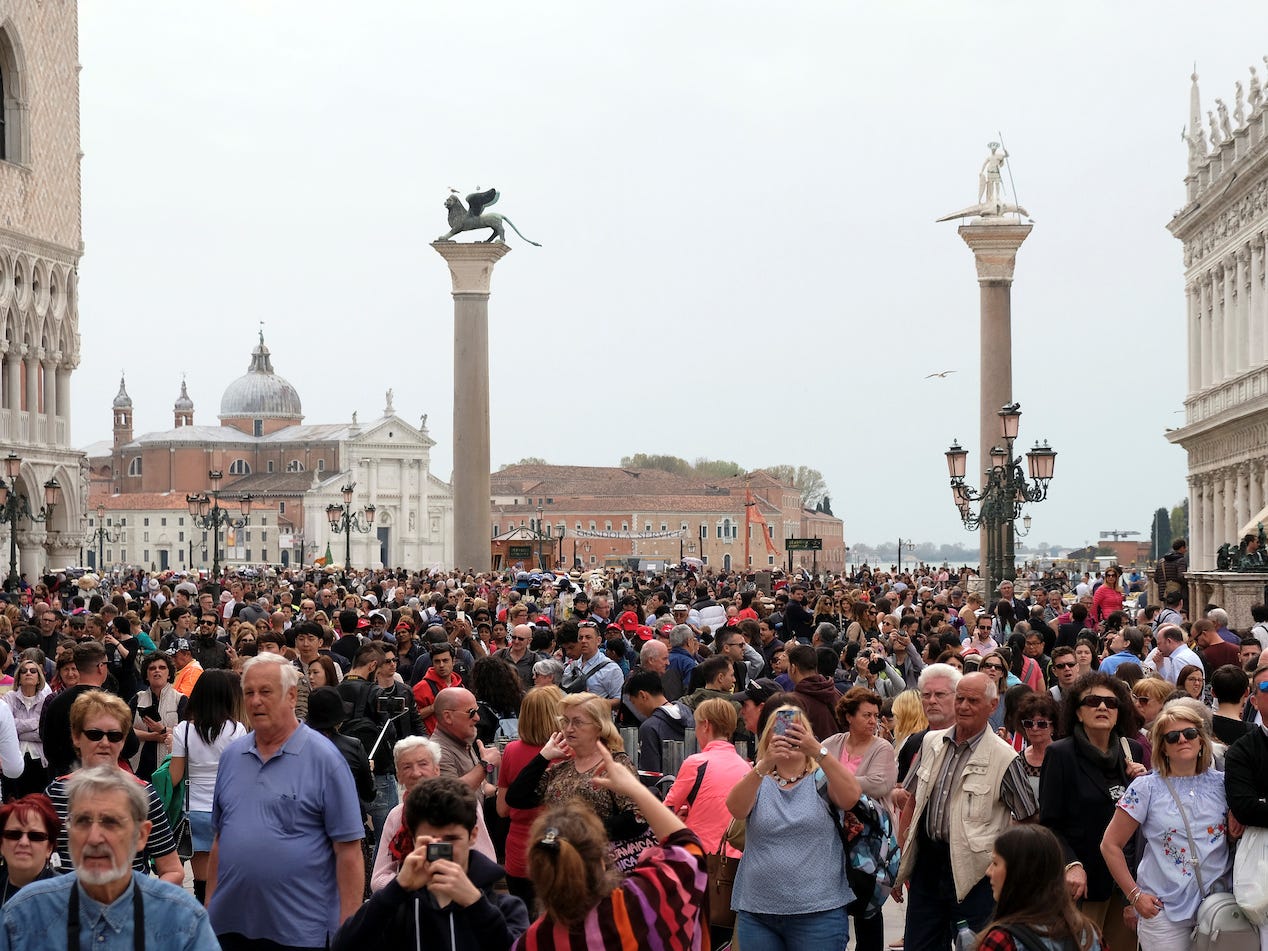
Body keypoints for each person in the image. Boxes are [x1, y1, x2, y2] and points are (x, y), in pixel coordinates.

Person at [206, 653, 365, 950]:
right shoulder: (231, 756)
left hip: (298, 930)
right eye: (249, 692)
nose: (255, 701)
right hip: (229, 926)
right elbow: (219, 840)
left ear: (292, 696)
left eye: (265, 691)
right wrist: (209, 908)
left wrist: (348, 928)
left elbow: (349, 852)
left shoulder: (325, 759)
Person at [0, 766, 219, 950]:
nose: (94, 838)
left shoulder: (183, 921)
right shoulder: (24, 915)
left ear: (141, 835)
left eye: (111, 822)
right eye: (83, 822)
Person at [895, 672, 1040, 949]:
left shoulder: (1004, 757)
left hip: (976, 874)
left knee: (977, 945)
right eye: (959, 698)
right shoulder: (930, 742)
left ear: (992, 705)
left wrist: (1006, 870)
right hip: (928, 865)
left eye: (972, 701)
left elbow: (1027, 818)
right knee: (919, 944)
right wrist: (902, 861)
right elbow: (912, 801)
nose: (963, 706)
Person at [518, 741, 708, 950]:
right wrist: (636, 789)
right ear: (602, 859)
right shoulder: (640, 902)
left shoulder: (534, 941)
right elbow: (688, 851)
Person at [725, 696, 862, 949]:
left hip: (819, 912)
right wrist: (765, 762)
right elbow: (735, 807)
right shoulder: (758, 778)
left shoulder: (822, 778)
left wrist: (818, 751)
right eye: (781, 729)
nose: (790, 735)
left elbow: (851, 796)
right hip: (758, 912)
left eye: (798, 730)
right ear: (768, 736)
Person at [332, 776, 528, 950]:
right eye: (430, 840)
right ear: (414, 838)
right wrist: (396, 889)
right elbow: (345, 944)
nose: (441, 849)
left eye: (451, 839)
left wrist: (476, 904)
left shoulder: (505, 907)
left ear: (473, 835)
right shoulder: (399, 908)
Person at [1101, 701, 1233, 951]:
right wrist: (1135, 896)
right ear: (1162, 748)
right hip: (1163, 911)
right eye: (1172, 737)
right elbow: (1110, 845)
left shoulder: (1225, 784)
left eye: (1190, 733)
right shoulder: (1145, 788)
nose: (1182, 739)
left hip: (1218, 908)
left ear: (1202, 740)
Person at [1038, 673, 1145, 951]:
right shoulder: (1061, 754)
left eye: (1111, 703)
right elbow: (1049, 823)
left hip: (1127, 883)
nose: (1102, 707)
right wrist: (1071, 865)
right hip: (1084, 882)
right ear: (1077, 710)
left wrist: (1144, 784)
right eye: (1093, 701)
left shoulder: (1130, 751)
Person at [45, 691, 183, 887]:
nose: (104, 742)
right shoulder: (56, 793)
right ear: (76, 737)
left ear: (124, 740)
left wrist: (140, 901)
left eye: (114, 736)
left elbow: (172, 869)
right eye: (94, 734)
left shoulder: (143, 795)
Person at [505, 692, 643, 870]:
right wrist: (542, 757)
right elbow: (516, 798)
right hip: (559, 867)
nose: (569, 729)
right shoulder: (561, 768)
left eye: (577, 722)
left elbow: (636, 818)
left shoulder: (616, 764)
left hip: (601, 868)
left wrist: (578, 830)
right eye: (565, 721)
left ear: (599, 727)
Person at [822, 686, 897, 951]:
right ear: (849, 716)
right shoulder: (831, 744)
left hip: (870, 839)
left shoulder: (882, 748)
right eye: (866, 715)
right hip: (835, 835)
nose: (873, 721)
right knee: (836, 900)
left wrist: (835, 780)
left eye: (876, 715)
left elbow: (880, 784)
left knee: (868, 904)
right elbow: (813, 773)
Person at [169, 668, 246, 905]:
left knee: (201, 881)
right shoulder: (237, 730)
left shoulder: (184, 730)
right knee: (223, 877)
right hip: (227, 811)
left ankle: (203, 923)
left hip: (194, 812)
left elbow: (175, 776)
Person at [978, 824, 1103, 951]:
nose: (989, 871)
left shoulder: (1002, 940)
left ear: (1019, 873)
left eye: (995, 863)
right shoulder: (1089, 934)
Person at [494, 686, 561, 907]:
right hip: (556, 850)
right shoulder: (568, 752)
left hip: (518, 851)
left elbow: (502, 810)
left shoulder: (511, 750)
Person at [661, 696, 750, 861]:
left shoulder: (695, 763)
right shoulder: (746, 768)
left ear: (706, 725)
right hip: (738, 860)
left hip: (699, 858)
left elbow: (665, 811)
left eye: (696, 725)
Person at [370, 736, 444, 890]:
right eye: (407, 767)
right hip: (407, 905)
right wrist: (409, 884)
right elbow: (378, 879)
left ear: (437, 770)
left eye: (423, 764)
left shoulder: (462, 808)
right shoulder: (396, 816)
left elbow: (483, 867)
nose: (416, 773)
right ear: (399, 777)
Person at [129, 652, 188, 782]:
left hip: (169, 766)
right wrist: (151, 736)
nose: (157, 671)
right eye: (152, 668)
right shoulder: (138, 698)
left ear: (169, 674)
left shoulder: (180, 699)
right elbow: (126, 730)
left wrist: (162, 729)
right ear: (146, 675)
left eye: (162, 668)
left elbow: (187, 733)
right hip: (139, 766)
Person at [623, 671, 695, 774]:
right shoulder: (689, 714)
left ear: (643, 695)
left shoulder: (649, 727)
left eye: (634, 702)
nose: (635, 708)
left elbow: (651, 774)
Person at [3, 658, 51, 798]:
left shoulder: (46, 698)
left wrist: (16, 730)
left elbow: (44, 732)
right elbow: (6, 727)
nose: (28, 673)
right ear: (18, 678)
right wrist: (35, 723)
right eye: (23, 671)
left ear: (39, 678)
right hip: (14, 758)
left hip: (40, 762)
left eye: (33, 670)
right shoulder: (9, 697)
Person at [0, 794, 59, 906]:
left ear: (49, 848)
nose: (23, 842)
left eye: (35, 836)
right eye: (14, 834)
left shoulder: (67, 898)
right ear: (1, 845)